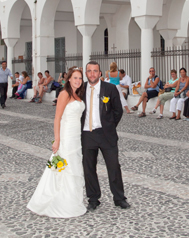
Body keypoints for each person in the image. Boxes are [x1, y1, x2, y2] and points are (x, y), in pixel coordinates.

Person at [27, 67, 87, 218]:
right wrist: (57, 139)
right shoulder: (64, 94)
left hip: (76, 136)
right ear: (69, 79)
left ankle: (72, 200)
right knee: (64, 167)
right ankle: (60, 201)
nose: (78, 81)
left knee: (74, 165)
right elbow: (57, 118)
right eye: (75, 78)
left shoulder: (78, 94)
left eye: (80, 78)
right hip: (66, 135)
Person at [81, 61, 129, 211]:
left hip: (106, 134)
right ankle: (93, 198)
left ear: (100, 73)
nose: (93, 74)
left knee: (114, 166)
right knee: (89, 168)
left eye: (95, 71)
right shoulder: (80, 89)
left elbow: (118, 110)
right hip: (87, 134)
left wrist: (109, 126)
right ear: (86, 73)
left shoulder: (110, 88)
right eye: (89, 71)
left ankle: (119, 198)